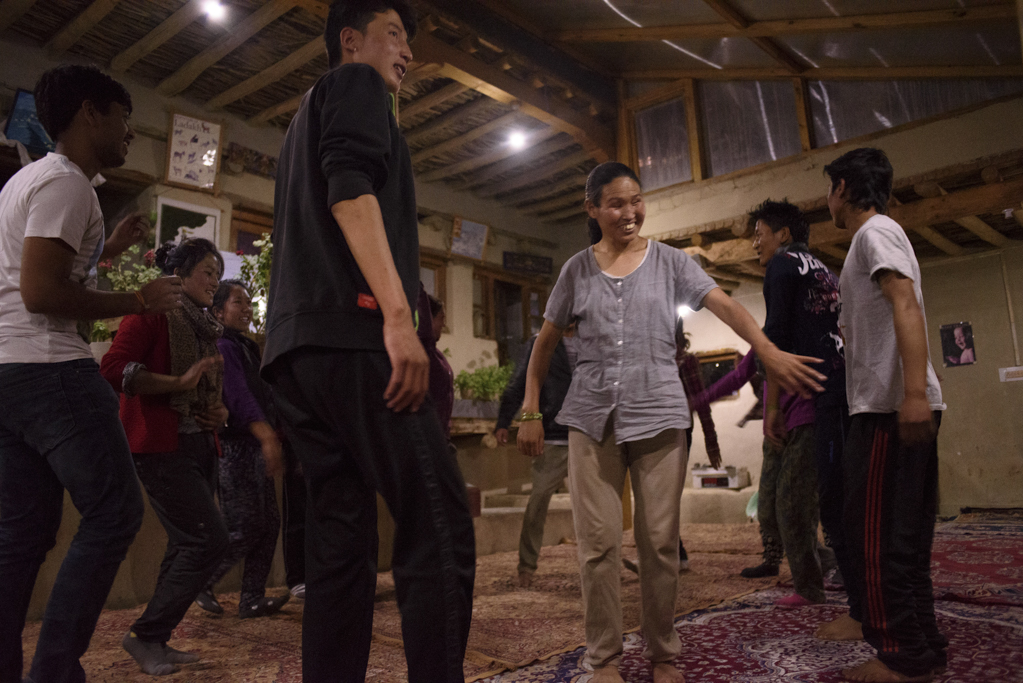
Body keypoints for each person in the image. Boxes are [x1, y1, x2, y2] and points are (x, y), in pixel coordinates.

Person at [517, 161, 826, 683]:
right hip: (591, 418)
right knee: (598, 545)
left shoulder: (670, 262)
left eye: (635, 200)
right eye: (615, 203)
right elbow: (544, 344)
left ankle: (664, 655)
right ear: (591, 209)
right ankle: (605, 660)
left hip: (659, 414)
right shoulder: (576, 270)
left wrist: (767, 351)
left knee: (659, 541)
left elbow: (724, 305)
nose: (629, 212)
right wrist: (529, 409)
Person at [260, 2, 476, 680]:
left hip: (300, 358)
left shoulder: (299, 123)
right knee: (437, 523)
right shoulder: (353, 84)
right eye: (393, 35)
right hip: (356, 343)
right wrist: (396, 316)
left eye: (409, 41)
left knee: (339, 548)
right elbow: (351, 193)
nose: (406, 52)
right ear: (350, 41)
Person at [0, 64, 182, 683]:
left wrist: (108, 253)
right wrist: (137, 300)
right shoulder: (70, 185)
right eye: (123, 118)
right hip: (50, 371)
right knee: (113, 513)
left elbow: (34, 276)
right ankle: (54, 670)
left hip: (7, 376)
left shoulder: (27, 179)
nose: (130, 132)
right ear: (89, 113)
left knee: (22, 535)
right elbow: (41, 291)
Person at [825, 147, 947, 683]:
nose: (827, 201)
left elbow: (905, 301)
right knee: (904, 535)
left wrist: (913, 394)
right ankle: (923, 645)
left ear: (845, 188)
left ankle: (899, 653)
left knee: (871, 535)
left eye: (829, 189)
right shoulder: (881, 235)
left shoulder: (872, 233)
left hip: (888, 408)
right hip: (896, 404)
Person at [100, 238, 229, 676]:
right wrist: (178, 383)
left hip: (197, 444)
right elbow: (114, 369)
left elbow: (205, 393)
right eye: (208, 271)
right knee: (210, 540)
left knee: (188, 541)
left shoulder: (205, 326)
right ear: (182, 274)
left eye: (218, 273)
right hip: (159, 447)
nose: (215, 281)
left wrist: (218, 412)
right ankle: (144, 634)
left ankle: (154, 638)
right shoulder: (150, 314)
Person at [748, 199, 849, 609]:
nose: (756, 244)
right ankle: (827, 561)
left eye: (760, 234)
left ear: (783, 235)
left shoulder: (783, 265)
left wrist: (771, 410)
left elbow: (774, 345)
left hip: (810, 401)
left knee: (793, 503)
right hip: (827, 394)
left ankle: (811, 587)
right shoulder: (826, 270)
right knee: (790, 504)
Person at [193, 280, 290, 618]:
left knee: (270, 523)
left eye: (249, 303)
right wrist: (264, 434)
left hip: (255, 445)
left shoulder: (245, 346)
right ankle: (200, 580)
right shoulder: (222, 345)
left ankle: (251, 597)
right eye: (239, 302)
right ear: (218, 311)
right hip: (236, 446)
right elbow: (236, 393)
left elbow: (265, 395)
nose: (247, 308)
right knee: (245, 525)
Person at [495, 323, 577, 588]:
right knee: (539, 501)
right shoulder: (541, 342)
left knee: (595, 504)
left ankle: (602, 562)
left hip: (589, 434)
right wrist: (503, 422)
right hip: (553, 434)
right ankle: (526, 566)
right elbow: (521, 381)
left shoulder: (593, 339)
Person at [416, 287, 454, 439]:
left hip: (442, 435)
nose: (443, 325)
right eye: (442, 318)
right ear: (429, 319)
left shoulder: (436, 354)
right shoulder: (421, 350)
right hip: (427, 437)